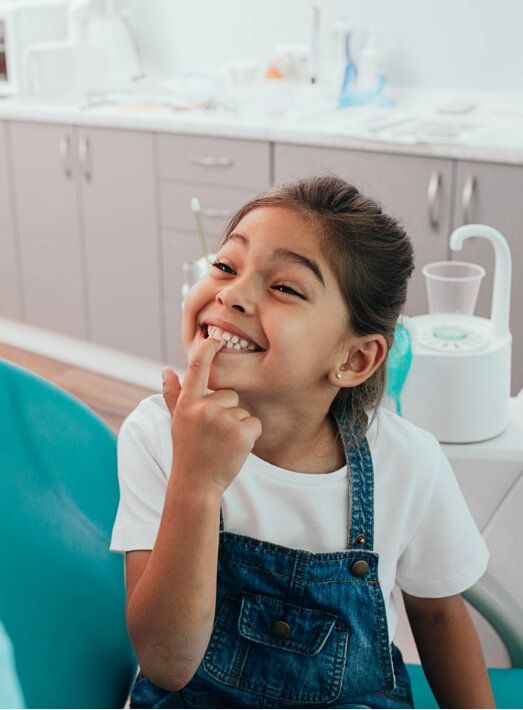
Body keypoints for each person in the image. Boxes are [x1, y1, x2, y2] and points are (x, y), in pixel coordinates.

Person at [110, 176, 494, 709]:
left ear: (354, 359)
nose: (231, 293)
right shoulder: (157, 434)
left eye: (285, 287)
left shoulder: (408, 463)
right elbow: (167, 664)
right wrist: (196, 481)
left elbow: (437, 613)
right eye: (226, 265)